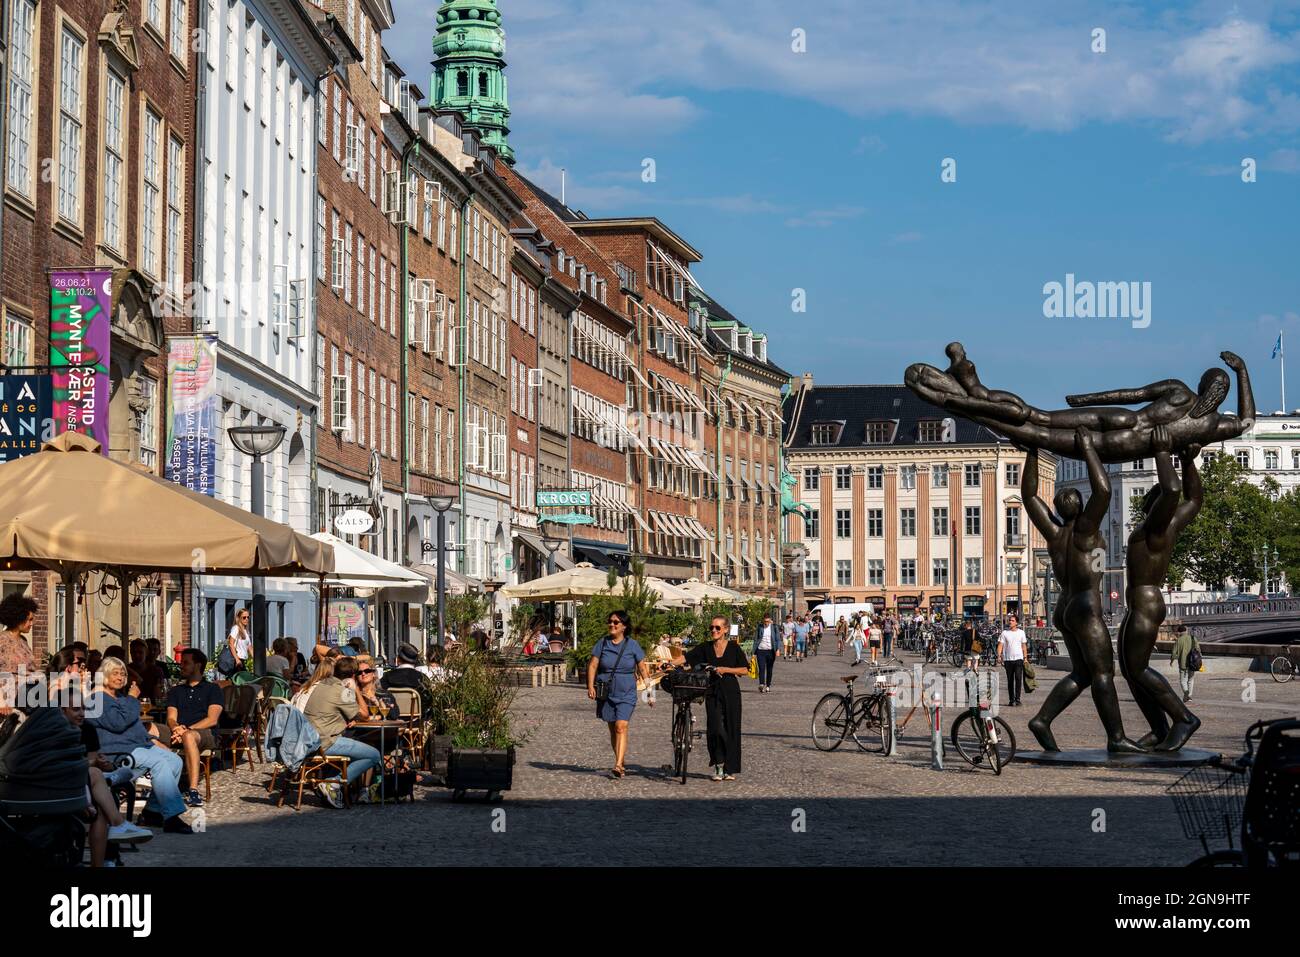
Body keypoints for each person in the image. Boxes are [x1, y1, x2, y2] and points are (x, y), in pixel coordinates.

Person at [1023, 434, 1142, 753]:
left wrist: (1032, 453)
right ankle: (1116, 738)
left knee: (1082, 673)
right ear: (1079, 506)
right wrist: (1089, 448)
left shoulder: (1054, 533)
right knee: (1104, 672)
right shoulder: (1085, 530)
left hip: (1063, 608)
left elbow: (1029, 496)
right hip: (1087, 607)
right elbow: (1103, 489)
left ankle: (1042, 720)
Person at [1119, 430, 1203, 751]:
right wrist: (1187, 461)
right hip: (1139, 605)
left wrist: (1162, 450)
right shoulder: (1169, 527)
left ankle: (1183, 719)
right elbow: (1194, 499)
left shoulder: (1156, 528)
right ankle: (1159, 728)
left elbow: (1173, 490)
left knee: (1138, 668)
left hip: (1145, 604)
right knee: (1129, 670)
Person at [86, 657, 193, 834]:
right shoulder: (97, 698)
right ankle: (172, 817)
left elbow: (134, 727)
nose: (120, 677)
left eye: (123, 673)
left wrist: (151, 740)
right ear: (104, 675)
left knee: (174, 761)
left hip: (135, 746)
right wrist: (132, 698)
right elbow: (118, 723)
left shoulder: (119, 697)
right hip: (116, 752)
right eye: (115, 673)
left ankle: (152, 812)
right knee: (160, 763)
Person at [672, 615, 749, 781]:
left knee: (731, 728)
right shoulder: (705, 647)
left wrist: (725, 669)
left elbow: (744, 670)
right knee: (715, 728)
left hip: (731, 691)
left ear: (726, 630)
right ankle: (718, 764)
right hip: (712, 691)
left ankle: (730, 768)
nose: (713, 630)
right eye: (711, 628)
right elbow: (687, 657)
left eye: (717, 628)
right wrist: (671, 664)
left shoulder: (734, 648)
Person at [300, 657, 383, 807]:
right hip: (326, 742)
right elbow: (364, 715)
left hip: (310, 739)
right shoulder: (342, 691)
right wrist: (356, 689)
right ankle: (334, 784)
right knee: (374, 755)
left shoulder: (323, 685)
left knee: (356, 748)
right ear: (353, 676)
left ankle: (334, 786)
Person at [586, 610, 649, 779]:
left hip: (627, 692)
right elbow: (593, 665)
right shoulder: (603, 643)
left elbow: (642, 668)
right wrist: (590, 686)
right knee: (613, 729)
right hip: (606, 692)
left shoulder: (632, 645)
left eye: (616, 622)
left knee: (621, 726)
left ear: (624, 627)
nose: (612, 624)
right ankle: (620, 759)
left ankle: (618, 765)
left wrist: (650, 692)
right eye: (610, 621)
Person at [164, 649, 225, 808]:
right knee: (148, 729)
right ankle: (151, 783)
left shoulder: (212, 689)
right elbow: (171, 717)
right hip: (179, 731)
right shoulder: (176, 691)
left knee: (189, 736)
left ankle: (193, 790)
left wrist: (186, 730)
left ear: (197, 665)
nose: (181, 666)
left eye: (186, 663)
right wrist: (176, 728)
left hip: (204, 733)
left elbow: (212, 719)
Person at [0, 592, 39, 713]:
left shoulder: (24, 641)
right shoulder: (2, 640)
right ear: (18, 618)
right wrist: (1, 701)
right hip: (8, 704)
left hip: (28, 699)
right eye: (29, 620)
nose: (32, 623)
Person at [380, 642, 437, 716]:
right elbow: (429, 700)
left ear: (398, 659)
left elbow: (380, 694)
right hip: (416, 720)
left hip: (392, 719)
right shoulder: (422, 678)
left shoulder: (388, 676)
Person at [998, 615, 1028, 706]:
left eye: (1012, 620)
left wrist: (1025, 658)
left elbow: (1024, 646)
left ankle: (1018, 699)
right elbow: (1000, 645)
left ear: (1016, 623)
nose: (1010, 622)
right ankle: (1011, 700)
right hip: (1008, 660)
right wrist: (999, 656)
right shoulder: (1004, 633)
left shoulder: (1021, 633)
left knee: (1018, 679)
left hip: (1019, 659)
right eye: (1009, 620)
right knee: (1010, 680)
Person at [1170, 625, 1200, 704]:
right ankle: (1189, 696)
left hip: (1183, 664)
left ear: (1179, 632)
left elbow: (1173, 653)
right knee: (1191, 680)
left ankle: (1186, 693)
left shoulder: (1178, 641)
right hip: (1193, 663)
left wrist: (1172, 661)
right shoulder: (1193, 638)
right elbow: (1198, 650)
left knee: (1183, 681)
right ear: (1186, 631)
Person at [222, 608, 252, 678]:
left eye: (248, 617)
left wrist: (257, 661)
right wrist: (237, 659)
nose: (246, 619)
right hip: (237, 661)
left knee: (242, 683)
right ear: (238, 618)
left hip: (242, 661)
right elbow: (231, 644)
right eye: (244, 617)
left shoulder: (245, 631)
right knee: (243, 682)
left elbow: (250, 647)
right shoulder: (236, 628)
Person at [753, 612, 779, 692]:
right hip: (761, 650)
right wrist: (754, 652)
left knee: (769, 669)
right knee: (761, 668)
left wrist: (777, 649)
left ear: (770, 620)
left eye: (768, 621)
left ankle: (768, 685)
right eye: (765, 621)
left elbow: (777, 639)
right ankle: (761, 684)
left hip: (770, 651)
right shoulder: (760, 627)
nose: (766, 623)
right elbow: (756, 639)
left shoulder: (774, 627)